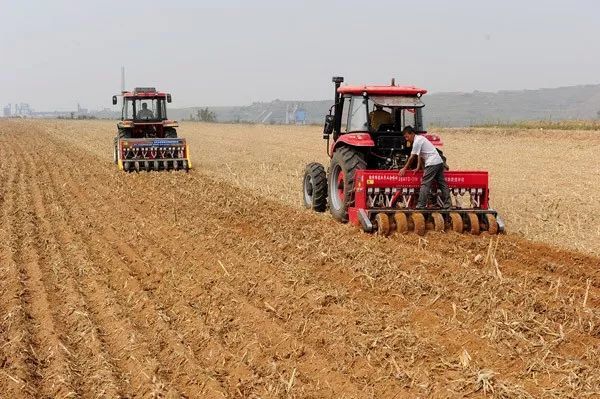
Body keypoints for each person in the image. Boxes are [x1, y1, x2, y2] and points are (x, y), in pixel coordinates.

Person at [399, 126, 451, 209]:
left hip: (432, 163)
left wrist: (404, 168)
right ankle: (448, 205)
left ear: (412, 134)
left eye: (407, 136)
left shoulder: (417, 141)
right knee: (442, 183)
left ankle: (421, 205)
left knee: (425, 184)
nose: (406, 139)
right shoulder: (420, 139)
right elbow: (420, 155)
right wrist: (418, 167)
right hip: (439, 162)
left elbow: (412, 157)